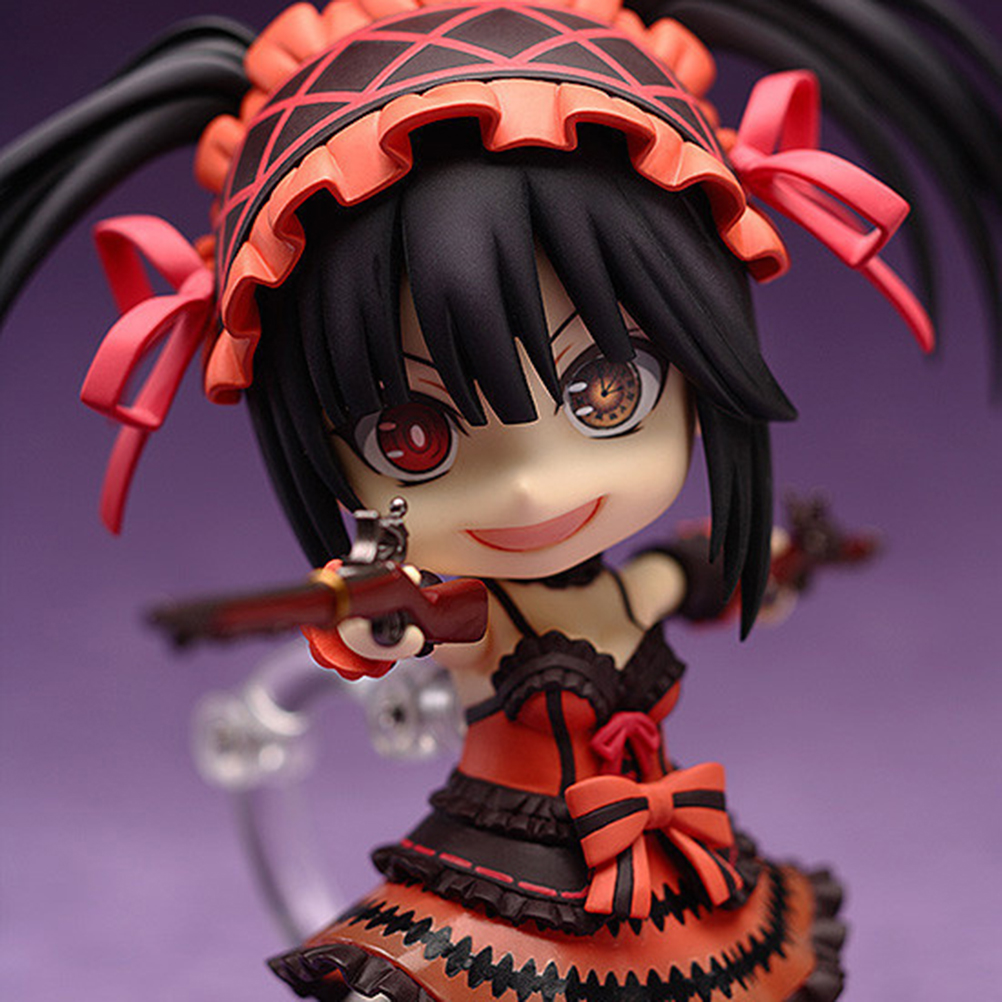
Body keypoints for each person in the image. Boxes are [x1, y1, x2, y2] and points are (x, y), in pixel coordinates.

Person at [1, 1, 998, 999]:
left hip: (668, 880)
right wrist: (368, 616)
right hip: (501, 897)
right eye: (414, 436)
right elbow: (407, 622)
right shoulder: (477, 616)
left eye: (607, 390)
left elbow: (685, 574)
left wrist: (779, 558)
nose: (528, 483)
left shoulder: (624, 593)